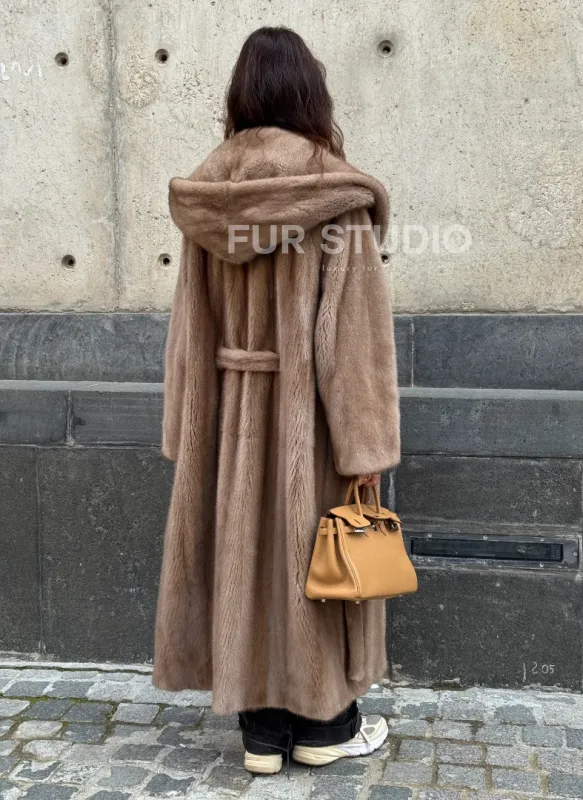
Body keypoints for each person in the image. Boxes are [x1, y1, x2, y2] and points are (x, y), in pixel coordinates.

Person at [153, 26, 400, 775]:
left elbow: (188, 327)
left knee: (244, 566)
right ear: (308, 95)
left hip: (227, 419)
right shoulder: (332, 196)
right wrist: (365, 448)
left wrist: (185, 428)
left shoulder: (209, 197)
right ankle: (326, 727)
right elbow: (352, 341)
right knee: (314, 572)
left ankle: (261, 736)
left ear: (242, 96)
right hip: (311, 422)